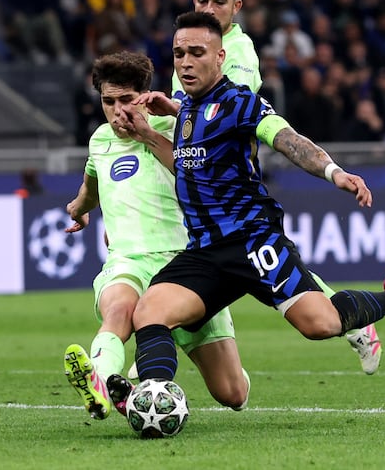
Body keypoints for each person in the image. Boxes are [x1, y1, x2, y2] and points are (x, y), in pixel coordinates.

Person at [115, 12, 385, 396]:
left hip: (254, 242)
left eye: (197, 52)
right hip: (207, 252)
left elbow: (286, 139)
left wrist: (333, 172)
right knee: (149, 312)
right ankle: (155, 396)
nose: (186, 62)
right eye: (179, 54)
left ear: (220, 57)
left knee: (320, 324)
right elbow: (186, 165)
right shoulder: (187, 108)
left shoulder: (239, 102)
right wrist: (147, 132)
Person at [171, 0, 383, 375]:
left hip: (225, 180)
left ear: (237, 7)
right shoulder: (190, 44)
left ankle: (352, 316)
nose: (209, 7)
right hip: (190, 171)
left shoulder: (239, 55)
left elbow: (224, 117)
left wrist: (332, 171)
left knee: (268, 265)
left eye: (219, 1)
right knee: (264, 263)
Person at [62, 51, 249, 421]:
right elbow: (92, 183)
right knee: (118, 311)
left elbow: (198, 175)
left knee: (232, 393)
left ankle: (161, 345)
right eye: (108, 102)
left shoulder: (176, 127)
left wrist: (148, 133)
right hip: (128, 260)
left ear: (145, 96)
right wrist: (80, 209)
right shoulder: (100, 141)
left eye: (126, 100)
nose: (117, 111)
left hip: (186, 266)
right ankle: (98, 383)